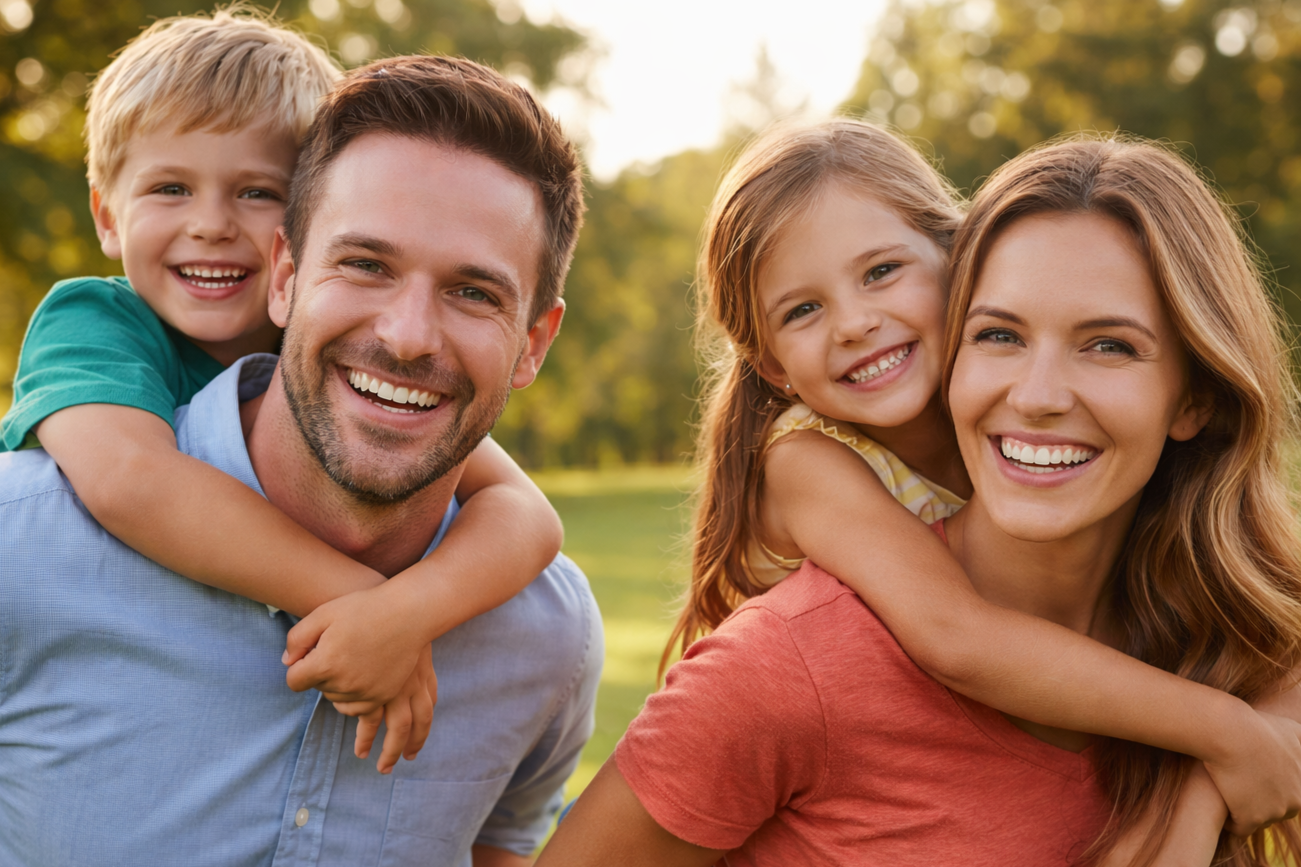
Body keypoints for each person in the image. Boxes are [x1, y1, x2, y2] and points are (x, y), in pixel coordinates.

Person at [538, 132, 1301, 865]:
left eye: (1107, 344)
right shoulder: (806, 481)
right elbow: (955, 634)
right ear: (771, 364)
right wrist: (1226, 734)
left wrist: (1204, 787)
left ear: (951, 264)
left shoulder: (1214, 615)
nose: (856, 323)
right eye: (1000, 334)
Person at [0, 53, 602, 867]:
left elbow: (525, 514)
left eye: (472, 292)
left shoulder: (544, 638)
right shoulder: (31, 523)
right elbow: (129, 480)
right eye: (364, 263)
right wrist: (357, 600)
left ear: (534, 343)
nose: (406, 337)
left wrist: (408, 611)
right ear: (289, 273)